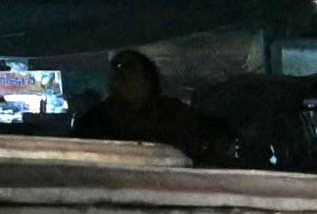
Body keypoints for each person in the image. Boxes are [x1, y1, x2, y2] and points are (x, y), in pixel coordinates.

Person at [70, 46, 226, 155]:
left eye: (129, 68)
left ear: (148, 79)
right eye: (116, 72)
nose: (120, 71)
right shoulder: (97, 118)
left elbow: (221, 134)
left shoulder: (174, 112)